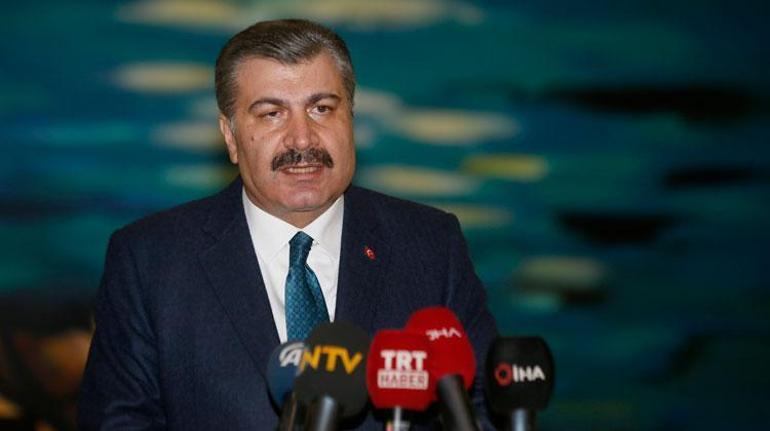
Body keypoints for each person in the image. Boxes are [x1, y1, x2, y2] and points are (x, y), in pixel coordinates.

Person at [78, 19, 497, 430]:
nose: (302, 139)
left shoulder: (429, 245)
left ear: (351, 118)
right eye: (272, 113)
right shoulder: (150, 260)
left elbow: (483, 409)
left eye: (321, 109)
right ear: (230, 136)